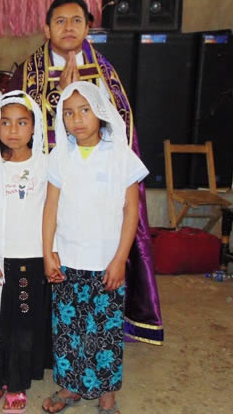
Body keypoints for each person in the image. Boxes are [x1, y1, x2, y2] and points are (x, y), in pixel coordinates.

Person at [9, 0, 163, 345]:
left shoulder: (104, 71)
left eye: (76, 20)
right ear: (46, 29)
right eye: (60, 21)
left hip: (96, 196)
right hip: (42, 185)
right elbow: (15, 126)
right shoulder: (27, 72)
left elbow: (121, 126)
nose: (68, 28)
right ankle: (45, 338)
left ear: (87, 28)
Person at [40, 81, 148, 414]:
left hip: (106, 262)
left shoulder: (120, 156)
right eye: (69, 113)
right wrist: (48, 252)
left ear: (100, 111)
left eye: (84, 110)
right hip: (68, 259)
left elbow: (131, 211)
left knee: (105, 329)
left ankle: (107, 393)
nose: (77, 119)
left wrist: (120, 259)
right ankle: (70, 386)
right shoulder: (60, 156)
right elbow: (50, 207)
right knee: (68, 328)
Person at [0, 91, 51, 414]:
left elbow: (52, 212)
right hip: (0, 257)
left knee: (23, 322)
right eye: (6, 122)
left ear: (34, 127)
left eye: (22, 122)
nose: (13, 130)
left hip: (32, 257)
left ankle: (17, 383)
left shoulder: (45, 165)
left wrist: (52, 253)